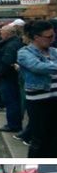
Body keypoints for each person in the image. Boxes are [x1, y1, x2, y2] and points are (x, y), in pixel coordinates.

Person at [17, 20, 57, 157]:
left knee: (54, 139)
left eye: (53, 36)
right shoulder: (24, 53)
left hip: (54, 100)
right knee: (39, 139)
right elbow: (38, 67)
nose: (52, 39)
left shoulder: (53, 51)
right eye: (49, 37)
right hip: (38, 102)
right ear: (36, 37)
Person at [0, 25, 24, 132]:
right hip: (12, 77)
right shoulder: (15, 43)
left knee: (11, 101)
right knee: (14, 101)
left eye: (2, 32)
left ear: (8, 33)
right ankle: (14, 123)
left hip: (9, 78)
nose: (0, 34)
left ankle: (13, 125)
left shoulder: (11, 45)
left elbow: (7, 62)